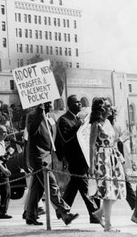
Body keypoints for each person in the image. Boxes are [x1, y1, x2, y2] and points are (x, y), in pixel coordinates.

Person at [24, 102, 78, 226]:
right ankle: (65, 213)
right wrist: (39, 112)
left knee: (37, 188)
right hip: (39, 157)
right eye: (47, 103)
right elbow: (31, 131)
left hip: (48, 157)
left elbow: (53, 139)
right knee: (52, 185)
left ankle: (30, 215)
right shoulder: (33, 115)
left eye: (51, 102)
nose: (51, 105)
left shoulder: (51, 117)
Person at [55, 95, 99, 223]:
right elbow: (65, 139)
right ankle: (94, 213)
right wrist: (79, 125)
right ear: (70, 105)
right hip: (73, 158)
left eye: (80, 102)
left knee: (74, 186)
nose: (80, 104)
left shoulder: (78, 119)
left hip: (83, 156)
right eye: (76, 102)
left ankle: (62, 211)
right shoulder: (63, 120)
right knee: (84, 185)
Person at [89, 97, 126, 232]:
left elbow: (113, 141)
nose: (111, 108)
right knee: (107, 192)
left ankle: (100, 213)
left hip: (112, 158)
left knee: (118, 188)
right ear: (102, 109)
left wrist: (118, 155)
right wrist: (92, 166)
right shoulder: (96, 125)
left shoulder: (108, 124)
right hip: (102, 159)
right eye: (109, 106)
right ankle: (108, 225)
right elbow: (92, 146)